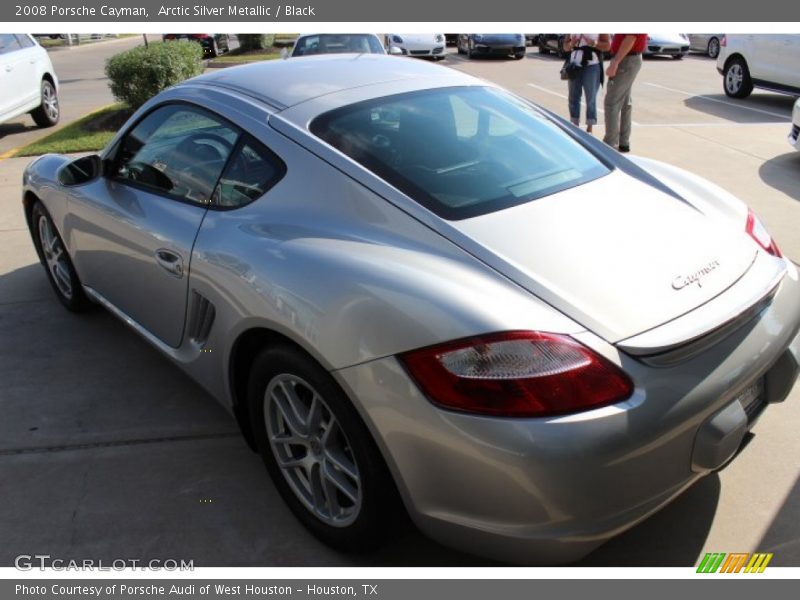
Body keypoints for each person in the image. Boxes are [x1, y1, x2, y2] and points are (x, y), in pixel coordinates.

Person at [603, 34, 648, 153]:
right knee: (625, 102)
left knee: (612, 102)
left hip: (626, 59)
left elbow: (630, 38)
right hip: (629, 58)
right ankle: (623, 142)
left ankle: (610, 144)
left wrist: (615, 62)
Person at [563, 34, 611, 134]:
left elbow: (608, 45)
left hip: (592, 65)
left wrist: (595, 43)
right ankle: (574, 125)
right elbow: (565, 46)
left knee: (591, 98)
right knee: (573, 97)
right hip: (574, 65)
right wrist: (571, 44)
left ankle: (590, 128)